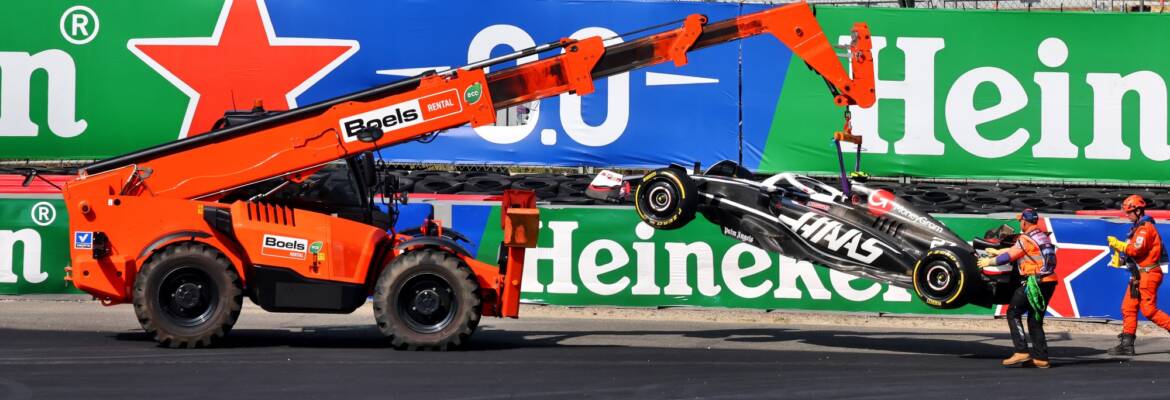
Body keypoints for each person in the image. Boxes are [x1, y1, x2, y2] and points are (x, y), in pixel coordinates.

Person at [977, 208, 1058, 368]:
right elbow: (1020, 250)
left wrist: (989, 262)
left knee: (1013, 312)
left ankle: (1021, 351)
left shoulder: (1026, 238)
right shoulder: (1042, 235)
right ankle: (1041, 358)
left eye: (1020, 220)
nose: (1020, 223)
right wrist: (998, 251)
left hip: (1034, 282)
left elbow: (1009, 256)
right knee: (1035, 319)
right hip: (1049, 281)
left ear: (1025, 222)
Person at [1106, 194, 1170, 356]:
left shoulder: (1145, 228)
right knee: (1128, 307)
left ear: (1139, 211)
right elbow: (1135, 254)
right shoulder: (1136, 228)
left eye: (1129, 212)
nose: (1127, 215)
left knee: (1148, 310)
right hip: (1138, 274)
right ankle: (1127, 345)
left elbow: (1136, 249)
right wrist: (1121, 260)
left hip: (1149, 274)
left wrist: (1118, 245)